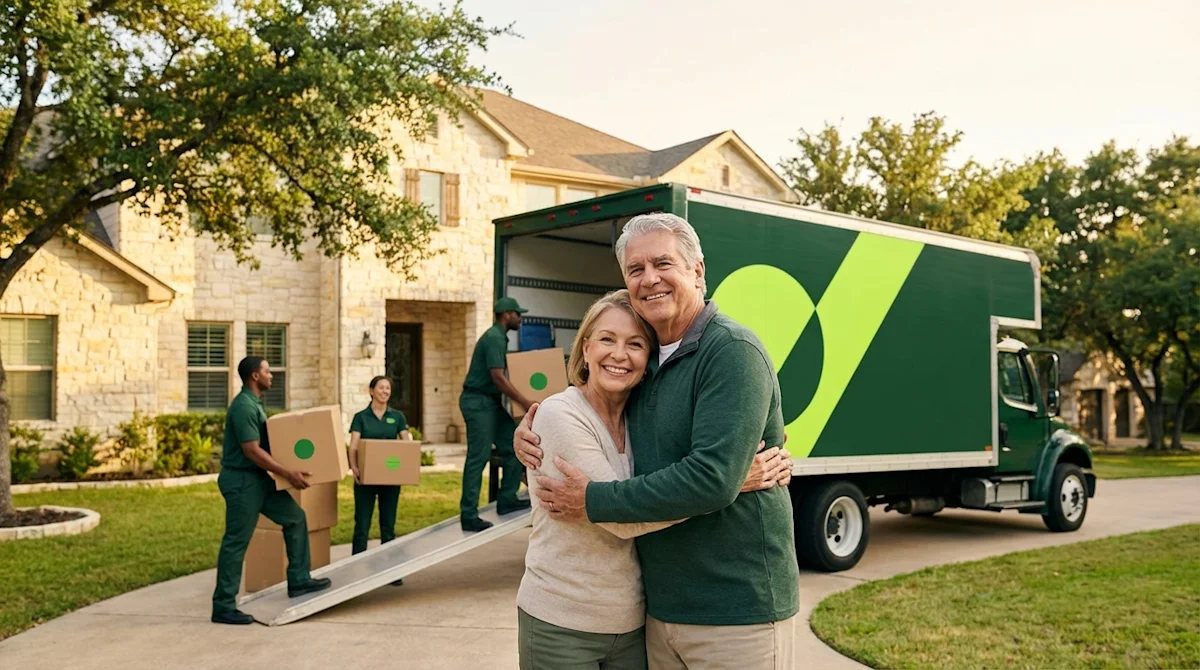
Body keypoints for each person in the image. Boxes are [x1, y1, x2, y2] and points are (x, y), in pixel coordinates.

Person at [514, 212, 801, 668]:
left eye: (662, 264)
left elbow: (711, 478)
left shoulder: (731, 352)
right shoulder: (645, 370)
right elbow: (597, 428)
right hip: (659, 612)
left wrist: (592, 500)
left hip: (735, 610)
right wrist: (532, 434)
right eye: (635, 269)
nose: (650, 279)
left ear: (697, 271)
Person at [211, 356, 331, 625]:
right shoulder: (243, 406)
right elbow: (251, 449)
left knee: (295, 518)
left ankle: (299, 580)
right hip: (241, 482)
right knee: (236, 541)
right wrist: (287, 473)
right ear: (254, 376)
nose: (272, 374)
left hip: (258, 480)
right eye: (267, 370)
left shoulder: (254, 404)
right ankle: (222, 605)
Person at [458, 296, 536, 532]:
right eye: (517, 314)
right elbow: (498, 377)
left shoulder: (499, 337)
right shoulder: (494, 338)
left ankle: (506, 499)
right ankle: (468, 515)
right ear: (507, 315)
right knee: (478, 457)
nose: (520, 319)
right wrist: (524, 401)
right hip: (478, 402)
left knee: (514, 445)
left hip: (489, 402)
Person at [348, 375, 411, 585]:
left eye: (388, 389)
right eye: (381, 388)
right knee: (362, 526)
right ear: (372, 390)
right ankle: (354, 571)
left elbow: (406, 443)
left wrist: (408, 458)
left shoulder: (397, 417)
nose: (385, 391)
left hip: (390, 480)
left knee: (388, 526)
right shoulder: (361, 417)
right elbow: (354, 445)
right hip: (365, 480)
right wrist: (354, 467)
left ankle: (390, 572)